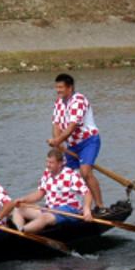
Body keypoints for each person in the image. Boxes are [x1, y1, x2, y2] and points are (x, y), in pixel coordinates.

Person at [49, 73, 105, 209]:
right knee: (64, 175)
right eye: (57, 87)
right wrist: (58, 144)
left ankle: (100, 206)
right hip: (72, 145)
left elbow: (72, 126)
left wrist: (58, 140)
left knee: (85, 172)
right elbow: (56, 124)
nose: (58, 90)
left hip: (88, 141)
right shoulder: (58, 102)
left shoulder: (78, 100)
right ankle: (71, 206)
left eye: (61, 87)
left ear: (70, 88)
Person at [7, 148, 94, 233]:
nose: (48, 165)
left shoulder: (71, 175)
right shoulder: (47, 173)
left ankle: (22, 231)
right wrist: (23, 200)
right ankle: (18, 231)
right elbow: (39, 194)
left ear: (60, 164)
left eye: (51, 162)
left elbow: (87, 193)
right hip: (50, 209)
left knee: (45, 217)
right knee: (18, 209)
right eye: (47, 161)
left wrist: (87, 209)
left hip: (69, 210)